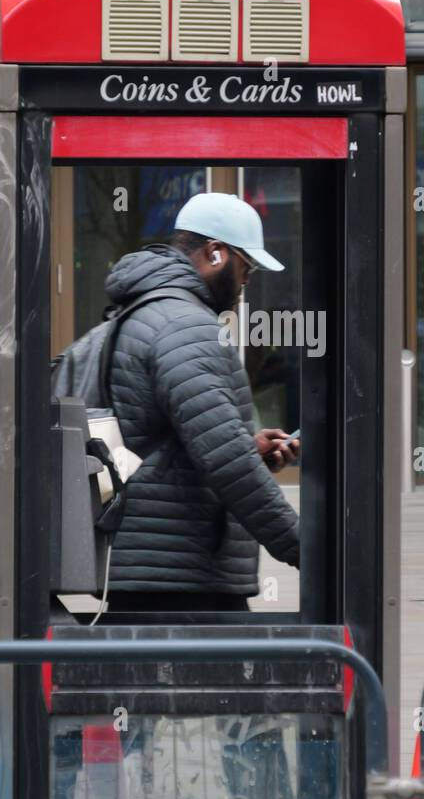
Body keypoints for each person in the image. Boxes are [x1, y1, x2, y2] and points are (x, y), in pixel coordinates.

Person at [102, 191, 300, 611]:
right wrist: (305, 548)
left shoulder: (147, 309)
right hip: (179, 576)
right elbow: (229, 463)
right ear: (215, 253)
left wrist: (247, 446)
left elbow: (169, 439)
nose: (247, 282)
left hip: (155, 567)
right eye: (246, 266)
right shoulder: (185, 326)